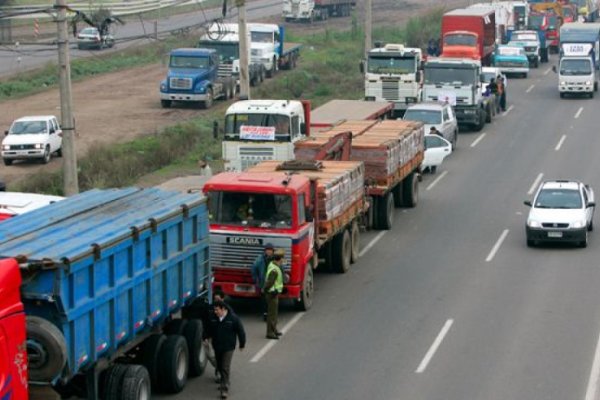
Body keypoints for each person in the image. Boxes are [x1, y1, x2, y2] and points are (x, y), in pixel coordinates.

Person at [204, 301, 246, 399]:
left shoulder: (233, 319)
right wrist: (205, 337)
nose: (215, 312)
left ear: (223, 309)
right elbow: (208, 329)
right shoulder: (214, 319)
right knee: (219, 365)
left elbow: (241, 331)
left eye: (217, 309)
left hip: (228, 347)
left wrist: (242, 344)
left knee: (225, 367)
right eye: (214, 310)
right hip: (217, 346)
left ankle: (224, 389)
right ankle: (225, 380)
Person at [263, 249, 285, 339]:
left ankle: (274, 329)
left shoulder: (272, 264)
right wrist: (269, 290)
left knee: (274, 314)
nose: (283, 260)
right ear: (280, 259)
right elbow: (269, 283)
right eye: (283, 258)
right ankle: (270, 332)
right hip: (272, 293)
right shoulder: (274, 270)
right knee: (272, 314)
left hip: (273, 292)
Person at [251, 243, 274, 320]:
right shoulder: (260, 259)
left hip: (272, 283)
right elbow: (254, 268)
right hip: (263, 283)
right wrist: (256, 279)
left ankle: (271, 314)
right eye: (267, 250)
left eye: (270, 250)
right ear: (265, 251)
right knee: (264, 299)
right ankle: (265, 314)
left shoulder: (275, 259)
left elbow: (281, 269)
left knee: (272, 300)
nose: (269, 252)